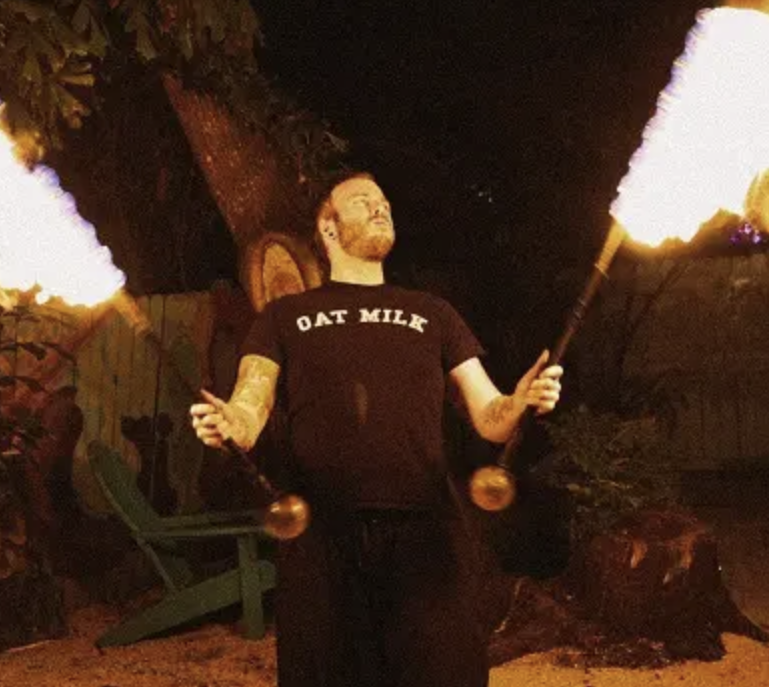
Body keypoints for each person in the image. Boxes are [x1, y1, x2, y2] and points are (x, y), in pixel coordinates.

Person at [190, 172, 563, 687]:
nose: (380, 208)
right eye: (363, 202)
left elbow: (490, 419)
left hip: (427, 535)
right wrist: (228, 422)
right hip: (323, 538)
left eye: (384, 202)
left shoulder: (433, 313)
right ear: (328, 228)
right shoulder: (285, 317)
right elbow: (249, 408)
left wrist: (520, 401)